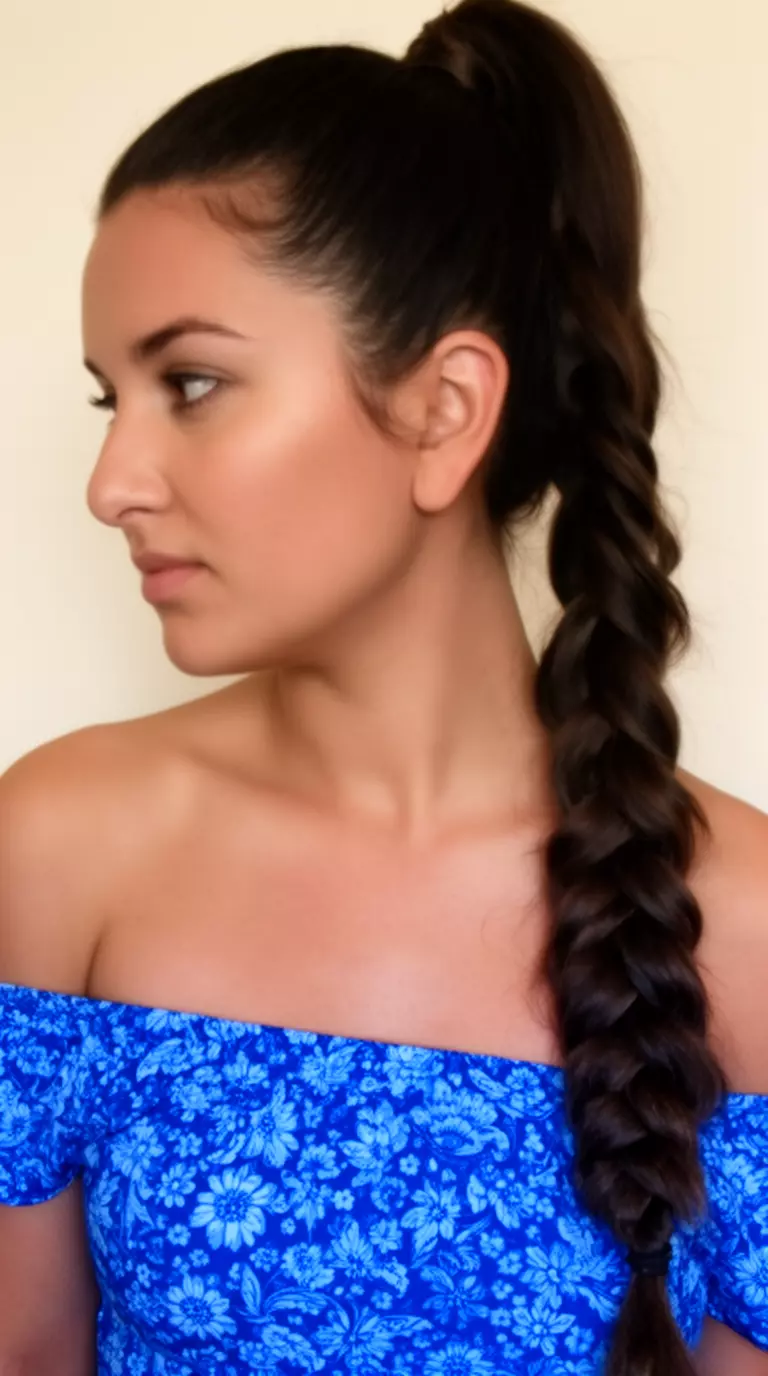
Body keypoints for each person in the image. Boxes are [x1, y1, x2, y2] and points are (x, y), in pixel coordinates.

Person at [0, 0, 766, 1372]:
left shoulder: (742, 921)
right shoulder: (62, 844)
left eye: (192, 380)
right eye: (113, 399)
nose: (111, 486)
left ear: (445, 409)